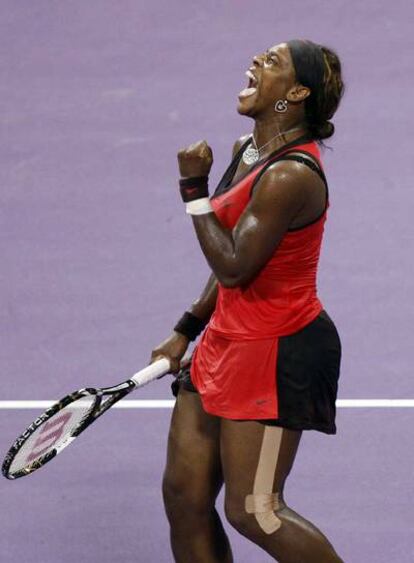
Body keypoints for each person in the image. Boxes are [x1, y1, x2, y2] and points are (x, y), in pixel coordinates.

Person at [150, 39, 345, 563]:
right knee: (185, 497)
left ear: (297, 92)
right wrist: (187, 328)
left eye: (273, 61)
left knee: (254, 510)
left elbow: (236, 264)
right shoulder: (249, 149)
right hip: (225, 342)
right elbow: (231, 263)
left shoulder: (289, 175)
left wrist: (194, 190)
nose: (257, 62)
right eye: (261, 56)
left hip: (278, 349)